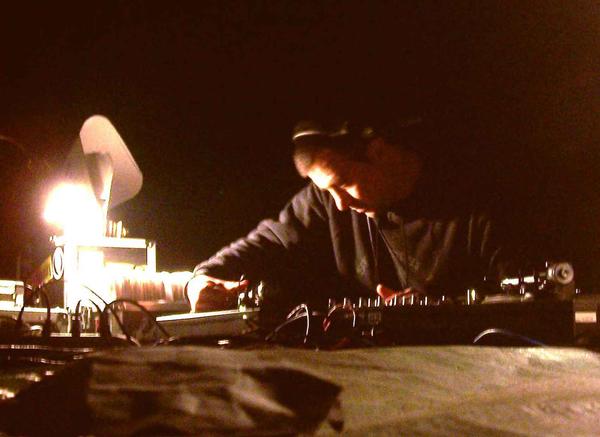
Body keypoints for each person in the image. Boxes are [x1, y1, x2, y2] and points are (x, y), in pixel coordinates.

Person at [187, 117, 505, 315]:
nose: (339, 204)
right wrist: (200, 281)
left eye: (344, 183)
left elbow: (522, 300)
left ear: (379, 151)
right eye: (328, 190)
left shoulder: (477, 198)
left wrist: (441, 311)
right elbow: (265, 243)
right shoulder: (327, 199)